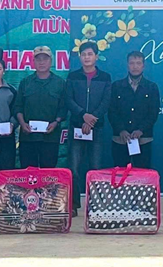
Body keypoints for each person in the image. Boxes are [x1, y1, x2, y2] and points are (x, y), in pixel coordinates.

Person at [67, 41, 112, 216]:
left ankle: (95, 205)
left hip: (96, 128)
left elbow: (106, 102)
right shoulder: (72, 76)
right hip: (76, 127)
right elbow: (69, 100)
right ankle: (73, 204)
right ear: (79, 57)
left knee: (95, 168)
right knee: (74, 169)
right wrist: (82, 115)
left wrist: (91, 119)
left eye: (90, 54)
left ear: (96, 56)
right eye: (84, 54)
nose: (87, 57)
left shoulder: (105, 77)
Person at [16, 46, 66, 168]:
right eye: (38, 59)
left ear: (51, 61)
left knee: (48, 173)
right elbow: (18, 107)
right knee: (28, 173)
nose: (41, 62)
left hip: (50, 138)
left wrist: (56, 122)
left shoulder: (60, 83)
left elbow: (63, 108)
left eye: (45, 59)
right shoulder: (25, 82)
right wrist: (22, 123)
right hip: (28, 138)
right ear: (33, 62)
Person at [109, 51, 159, 168]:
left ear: (143, 66)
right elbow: (112, 111)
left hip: (143, 139)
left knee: (142, 174)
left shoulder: (151, 87)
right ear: (127, 65)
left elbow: (153, 113)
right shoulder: (116, 86)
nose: (135, 66)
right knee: (120, 173)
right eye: (132, 63)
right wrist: (121, 130)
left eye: (138, 63)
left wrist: (141, 130)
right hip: (120, 139)